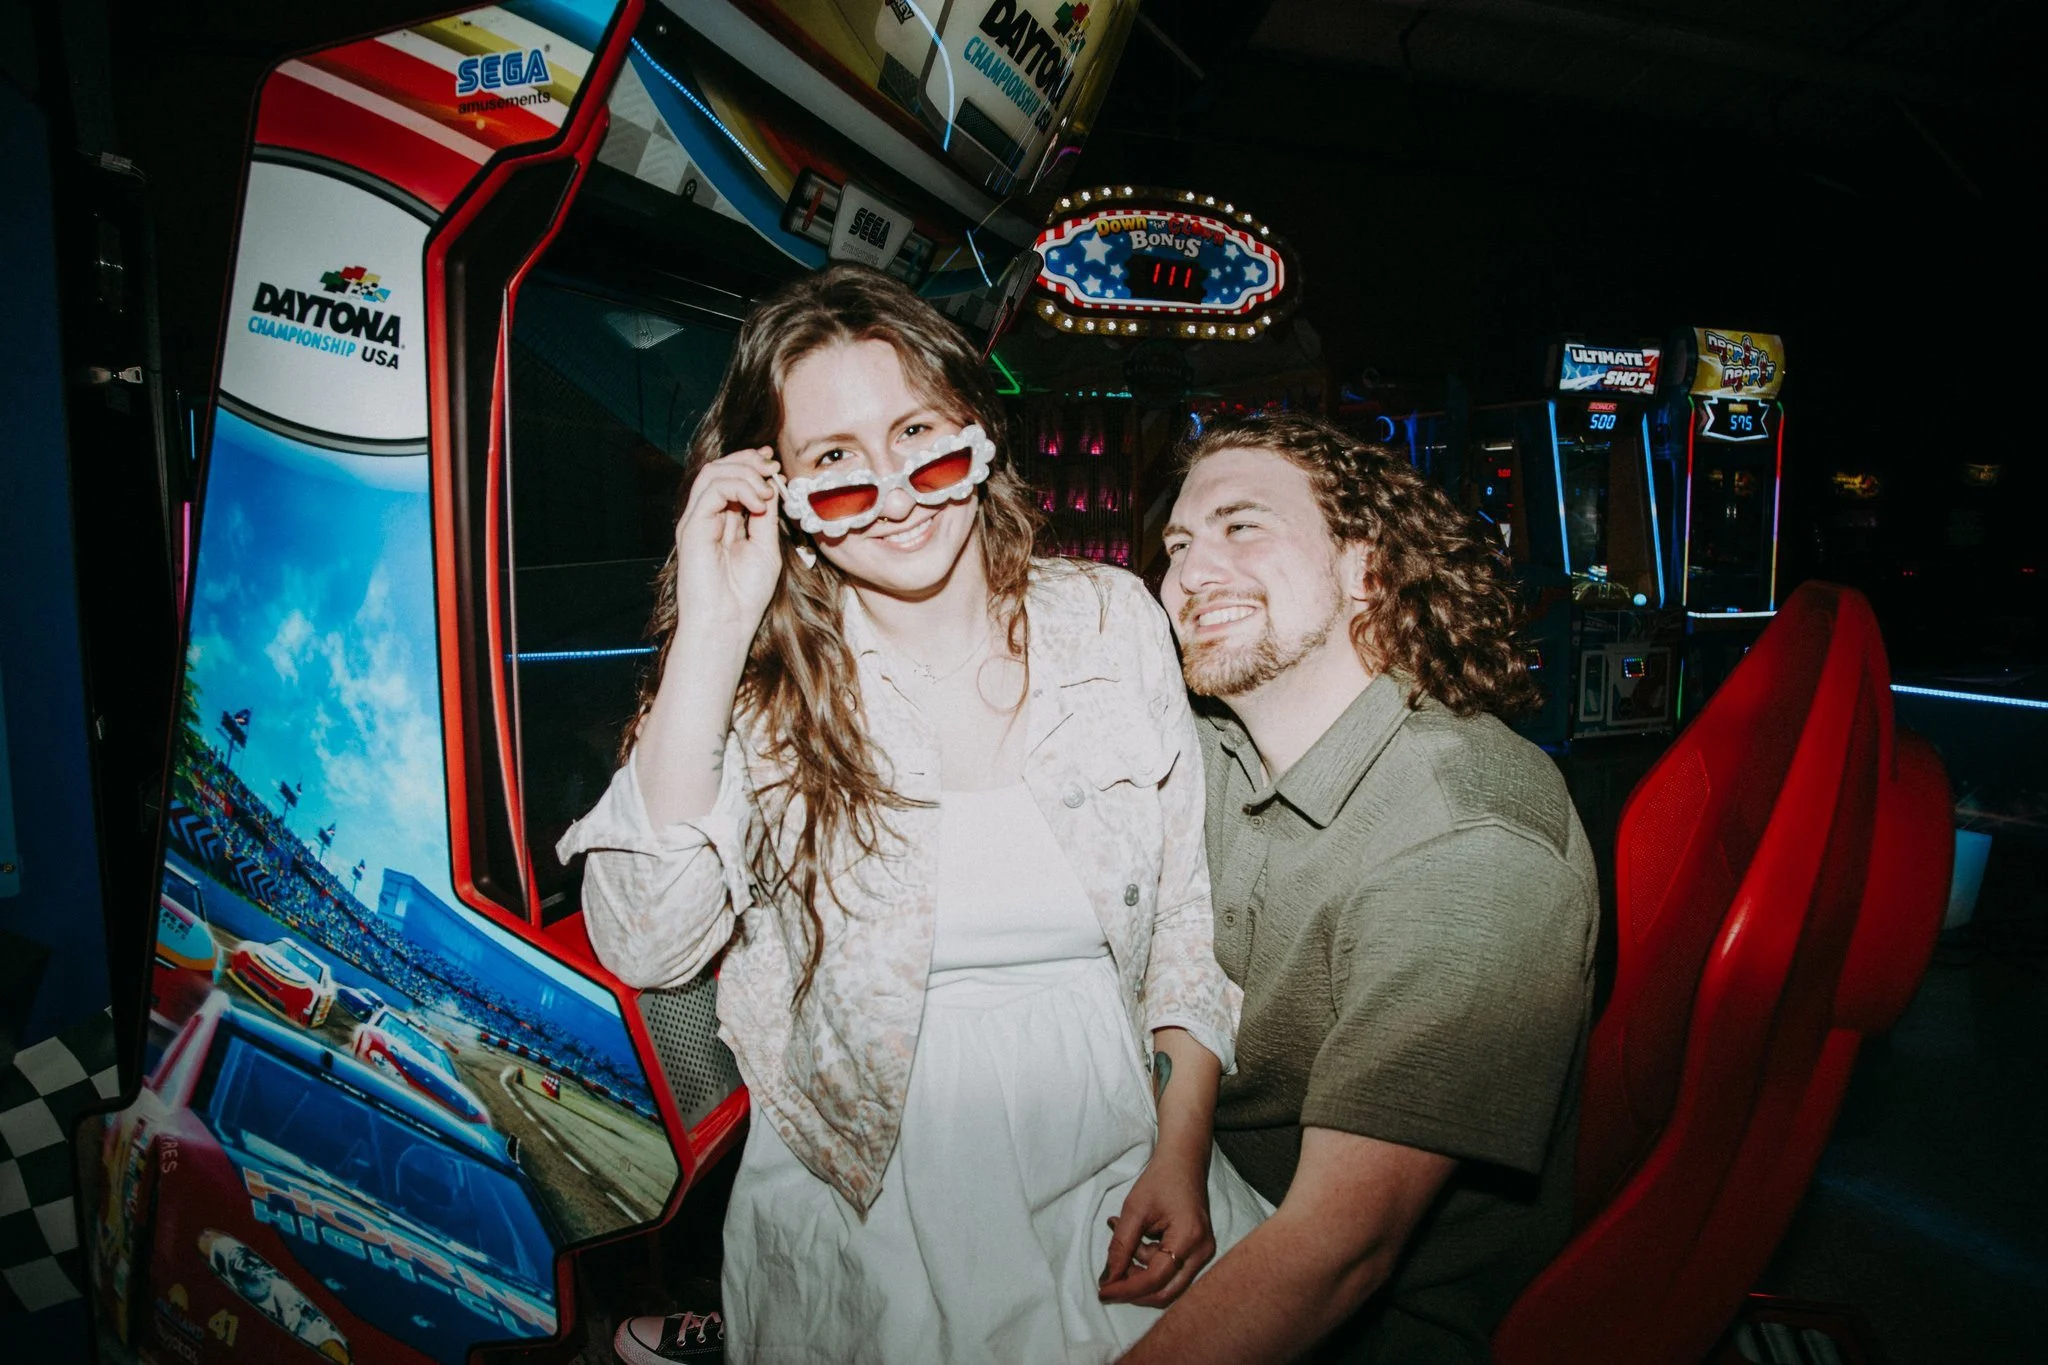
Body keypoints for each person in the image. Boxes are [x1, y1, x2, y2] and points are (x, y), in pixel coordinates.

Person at [557, 266, 1268, 1365]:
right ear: (776, 490)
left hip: (1116, 1154)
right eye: (833, 463)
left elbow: (1183, 918)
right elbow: (647, 941)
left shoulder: (1108, 622)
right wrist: (709, 626)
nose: (892, 493)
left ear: (977, 434)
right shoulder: (754, 690)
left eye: (919, 437)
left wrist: (1180, 1149)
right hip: (865, 1205)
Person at [1120, 412, 1599, 1364]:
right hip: (1207, 1174)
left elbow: (1335, 1255)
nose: (1187, 573)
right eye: (1177, 545)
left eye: (1241, 525)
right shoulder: (1209, 743)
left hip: (1368, 1319)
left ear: (1365, 569)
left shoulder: (1468, 844)